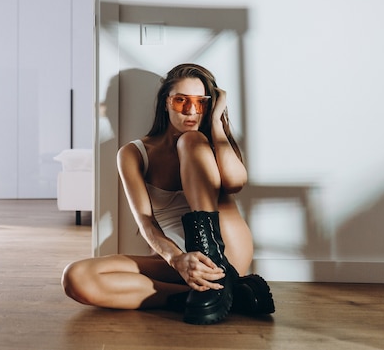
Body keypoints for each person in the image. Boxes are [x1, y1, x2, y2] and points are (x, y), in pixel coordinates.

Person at [61, 63, 274, 324]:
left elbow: (235, 182)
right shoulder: (133, 154)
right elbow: (146, 221)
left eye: (201, 103)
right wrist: (177, 259)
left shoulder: (207, 141)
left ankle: (218, 274)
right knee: (76, 277)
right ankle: (205, 296)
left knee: (191, 140)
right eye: (181, 101)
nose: (192, 111)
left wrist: (217, 123)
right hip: (180, 259)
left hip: (226, 254)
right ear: (166, 103)